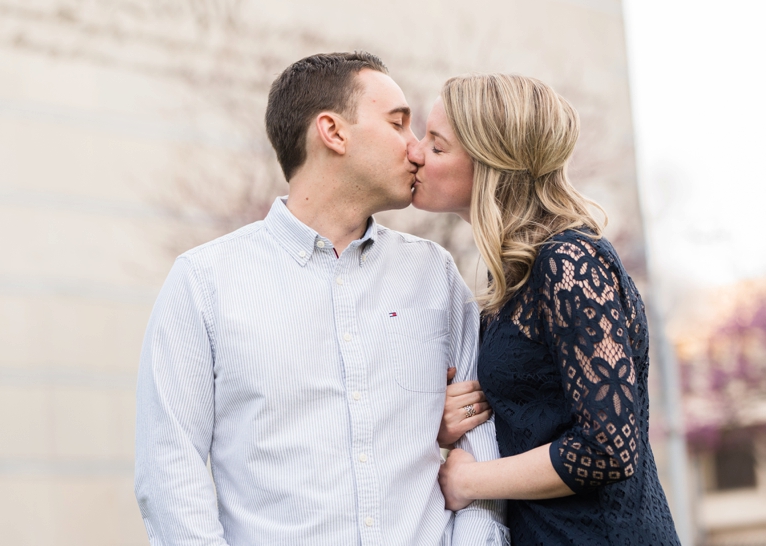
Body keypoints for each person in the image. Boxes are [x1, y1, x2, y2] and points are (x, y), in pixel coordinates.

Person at [134, 53, 508, 545]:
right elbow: (169, 474)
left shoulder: (435, 276)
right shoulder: (204, 284)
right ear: (333, 132)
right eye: (398, 124)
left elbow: (481, 451)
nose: (418, 150)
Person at [411, 73, 679, 544]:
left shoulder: (569, 261)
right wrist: (448, 417)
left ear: (490, 162)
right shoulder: (516, 274)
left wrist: (469, 480)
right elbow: (538, 411)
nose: (415, 152)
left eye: (436, 146)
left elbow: (609, 446)